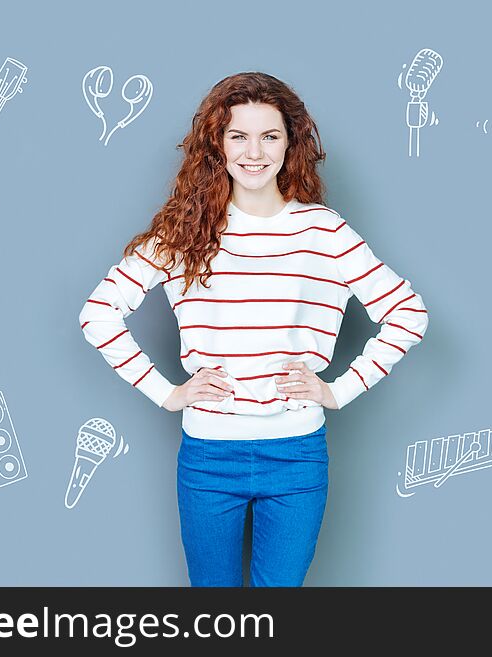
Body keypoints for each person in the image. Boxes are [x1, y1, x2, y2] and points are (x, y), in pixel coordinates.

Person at [79, 72, 429, 586]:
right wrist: (166, 393)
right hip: (207, 455)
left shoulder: (324, 231)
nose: (254, 152)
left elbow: (408, 313)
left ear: (291, 144)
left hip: (296, 455)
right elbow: (99, 312)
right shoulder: (184, 231)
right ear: (216, 144)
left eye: (270, 136)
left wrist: (339, 390)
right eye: (238, 135)